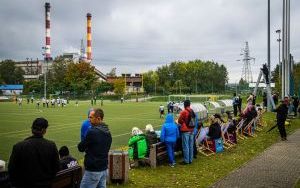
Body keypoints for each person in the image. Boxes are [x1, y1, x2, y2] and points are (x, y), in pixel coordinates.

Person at [8, 118, 60, 188]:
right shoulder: (51, 145)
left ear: (32, 129)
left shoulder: (19, 146)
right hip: (45, 185)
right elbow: (57, 167)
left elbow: (12, 170)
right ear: (44, 131)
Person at [78, 108, 112, 188]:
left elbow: (81, 147)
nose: (89, 119)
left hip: (93, 169)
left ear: (98, 118)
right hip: (103, 167)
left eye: (91, 117)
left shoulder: (92, 132)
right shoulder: (107, 131)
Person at [178, 100, 194, 165]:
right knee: (191, 145)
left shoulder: (184, 111)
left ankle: (186, 160)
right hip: (192, 130)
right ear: (189, 104)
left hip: (185, 130)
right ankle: (190, 159)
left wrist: (183, 123)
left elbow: (179, 120)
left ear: (184, 105)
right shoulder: (192, 111)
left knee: (185, 146)